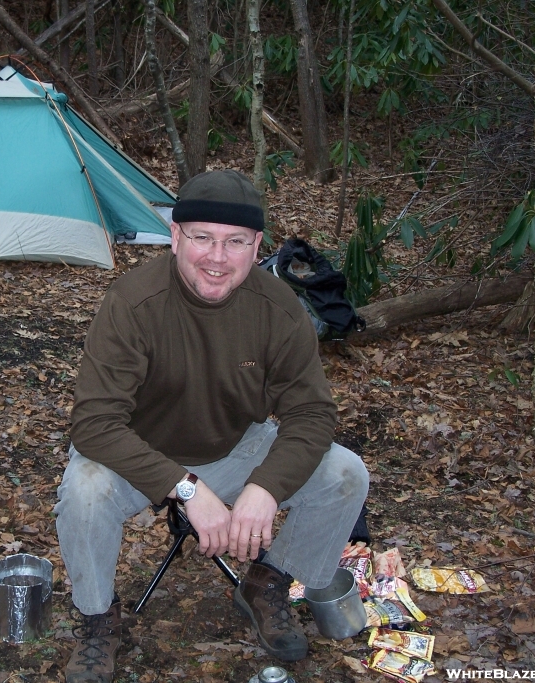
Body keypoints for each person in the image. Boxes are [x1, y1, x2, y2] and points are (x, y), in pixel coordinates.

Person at [55, 169, 369, 682]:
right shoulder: (133, 303)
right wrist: (185, 487)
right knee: (84, 488)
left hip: (232, 446)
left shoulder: (278, 308)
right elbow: (93, 423)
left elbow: (312, 414)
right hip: (135, 453)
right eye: (202, 237)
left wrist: (265, 488)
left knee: (346, 473)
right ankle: (96, 619)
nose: (217, 258)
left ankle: (267, 581)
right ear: (175, 237)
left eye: (235, 242)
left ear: (257, 245)